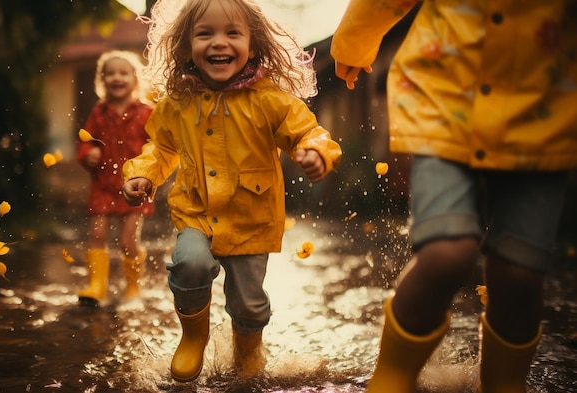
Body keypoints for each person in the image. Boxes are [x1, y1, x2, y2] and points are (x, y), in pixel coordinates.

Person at [331, 1, 577, 392]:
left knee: (520, 272)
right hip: (444, 102)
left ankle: (504, 382)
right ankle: (390, 377)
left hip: (542, 114)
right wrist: (354, 41)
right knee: (447, 252)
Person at [122, 0, 342, 382]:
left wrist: (315, 153)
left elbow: (308, 132)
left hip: (252, 221)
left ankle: (248, 352)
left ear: (253, 45)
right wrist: (143, 175)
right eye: (204, 34)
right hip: (196, 212)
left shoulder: (271, 100)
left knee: (250, 304)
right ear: (186, 45)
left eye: (232, 33)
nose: (218, 43)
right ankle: (193, 337)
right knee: (189, 264)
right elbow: (160, 149)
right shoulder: (178, 103)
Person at [77, 50, 154, 304]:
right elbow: (85, 140)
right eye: (110, 74)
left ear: (135, 79)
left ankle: (133, 288)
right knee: (97, 235)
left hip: (134, 186)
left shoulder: (146, 112)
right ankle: (97, 286)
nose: (116, 78)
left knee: (127, 239)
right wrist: (88, 153)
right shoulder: (99, 112)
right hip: (102, 184)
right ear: (102, 80)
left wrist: (148, 171)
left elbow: (157, 146)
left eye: (123, 73)